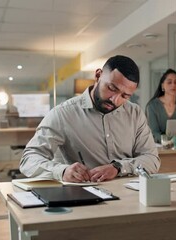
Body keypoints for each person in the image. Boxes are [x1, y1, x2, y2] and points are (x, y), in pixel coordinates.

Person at [20, 55, 160, 183]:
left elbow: (152, 159)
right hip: (84, 198)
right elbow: (29, 159)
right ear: (98, 75)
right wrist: (61, 171)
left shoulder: (135, 113)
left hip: (130, 196)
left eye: (125, 96)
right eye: (111, 88)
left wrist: (118, 167)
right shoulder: (63, 114)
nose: (115, 100)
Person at [145, 68, 176, 143]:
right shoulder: (152, 106)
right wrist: (170, 140)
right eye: (169, 82)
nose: (173, 85)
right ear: (163, 86)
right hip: (157, 148)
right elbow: (154, 134)